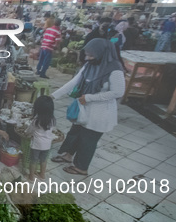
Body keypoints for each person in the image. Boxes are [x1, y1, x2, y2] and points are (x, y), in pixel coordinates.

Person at [51, 39, 125, 176]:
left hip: (100, 113)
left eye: (91, 55)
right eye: (87, 54)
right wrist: (53, 96)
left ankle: (81, 167)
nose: (87, 58)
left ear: (102, 53)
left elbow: (118, 92)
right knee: (75, 133)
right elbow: (74, 82)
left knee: (88, 140)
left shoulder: (114, 69)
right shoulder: (90, 65)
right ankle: (67, 155)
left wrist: (90, 97)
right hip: (84, 109)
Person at [25, 95, 55, 181]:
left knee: (33, 160)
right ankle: (42, 175)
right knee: (43, 160)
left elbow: (30, 130)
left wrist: (26, 133)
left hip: (37, 144)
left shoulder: (37, 120)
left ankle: (31, 176)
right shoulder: (52, 119)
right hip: (47, 145)